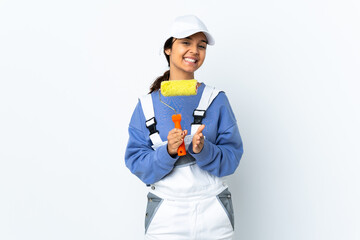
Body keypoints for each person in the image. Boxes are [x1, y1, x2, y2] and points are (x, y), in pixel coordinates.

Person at [125, 15, 243, 240]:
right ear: (168, 48)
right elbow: (137, 163)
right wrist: (168, 151)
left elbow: (231, 160)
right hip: (166, 215)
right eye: (186, 42)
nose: (195, 51)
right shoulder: (146, 105)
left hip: (213, 211)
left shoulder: (216, 100)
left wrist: (203, 150)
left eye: (201, 46)